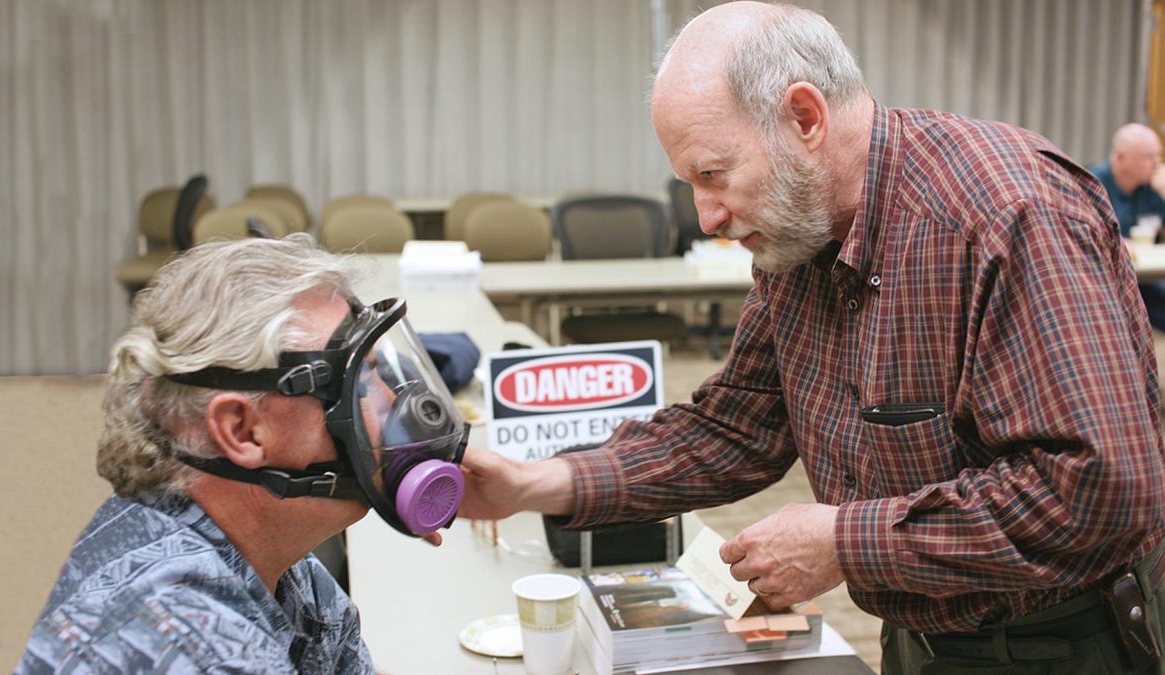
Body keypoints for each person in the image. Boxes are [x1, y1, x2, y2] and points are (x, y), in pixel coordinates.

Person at [460, 3, 1165, 672]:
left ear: (804, 116)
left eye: (713, 174)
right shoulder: (799, 234)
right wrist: (537, 483)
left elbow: (1099, 491)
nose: (706, 217)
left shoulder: (1007, 214)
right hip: (923, 630)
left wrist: (843, 541)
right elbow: (734, 429)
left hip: (1069, 640)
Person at [18, 234, 471, 673]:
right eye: (359, 383)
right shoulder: (179, 637)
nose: (394, 404)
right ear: (242, 430)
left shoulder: (284, 570)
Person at [1090, 123, 1165, 330]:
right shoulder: (1092, 185)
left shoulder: (1153, 186)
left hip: (1147, 278)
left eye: (1158, 156)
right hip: (1107, 281)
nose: (1157, 163)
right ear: (1121, 158)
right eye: (1149, 157)